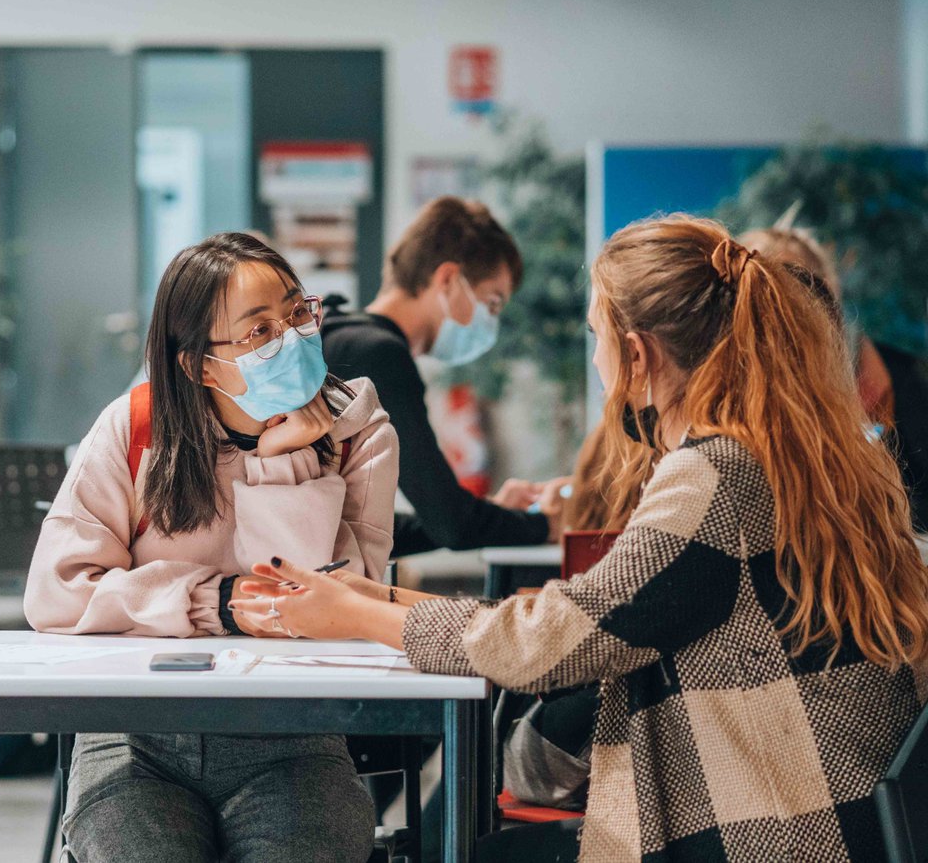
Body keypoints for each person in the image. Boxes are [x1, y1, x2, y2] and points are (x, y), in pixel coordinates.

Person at [233, 215, 928, 862]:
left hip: (777, 827)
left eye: (595, 336)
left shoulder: (715, 475)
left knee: (467, 847)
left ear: (635, 353)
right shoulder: (795, 454)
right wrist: (378, 596)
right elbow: (603, 614)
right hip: (833, 801)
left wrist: (357, 614)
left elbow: (555, 642)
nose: (594, 357)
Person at [24, 233, 397, 863]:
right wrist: (212, 602)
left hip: (296, 737)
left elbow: (333, 611)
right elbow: (57, 592)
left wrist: (284, 464)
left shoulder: (359, 432)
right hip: (134, 740)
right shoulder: (135, 427)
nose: (290, 336)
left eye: (296, 312)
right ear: (199, 365)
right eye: (258, 331)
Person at [320, 197, 551, 557]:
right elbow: (451, 525)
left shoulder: (342, 334)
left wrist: (490, 514)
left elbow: (356, 528)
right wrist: (549, 524)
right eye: (492, 303)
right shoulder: (380, 355)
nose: (491, 323)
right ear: (447, 278)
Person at [742, 226, 928, 531]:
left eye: (797, 285)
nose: (777, 310)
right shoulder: (749, 404)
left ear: (830, 290)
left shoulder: (905, 380)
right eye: (758, 294)